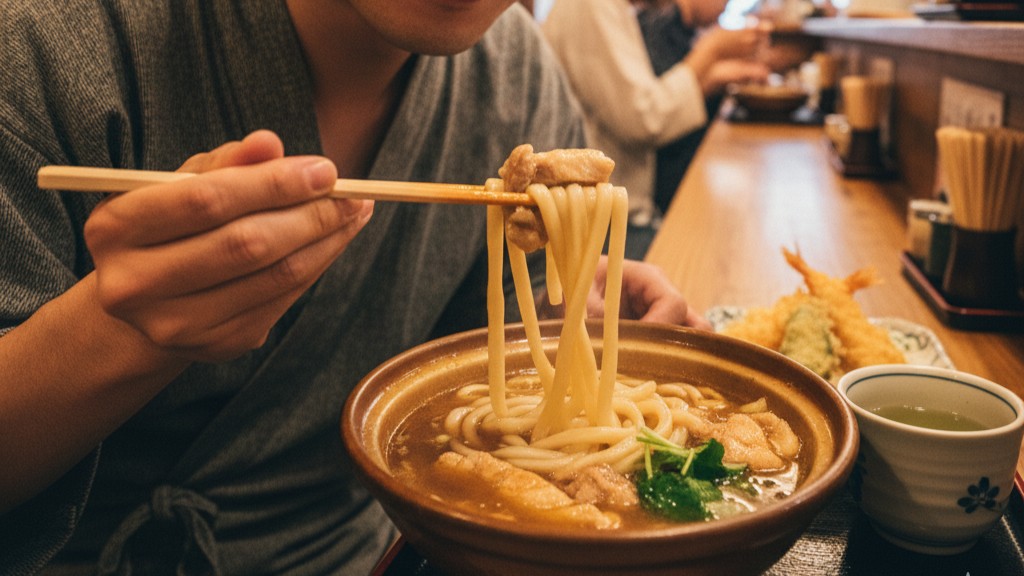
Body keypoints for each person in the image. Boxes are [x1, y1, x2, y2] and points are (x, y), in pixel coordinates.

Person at [0, 1, 711, 574]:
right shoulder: (48, 41)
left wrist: (570, 312)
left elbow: (486, 346)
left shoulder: (515, 73)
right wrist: (116, 332)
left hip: (376, 553)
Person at [542, 0, 769, 227]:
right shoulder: (592, 5)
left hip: (618, 210)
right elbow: (643, 120)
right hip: (602, 222)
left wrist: (716, 73)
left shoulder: (616, 8)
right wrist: (711, 50)